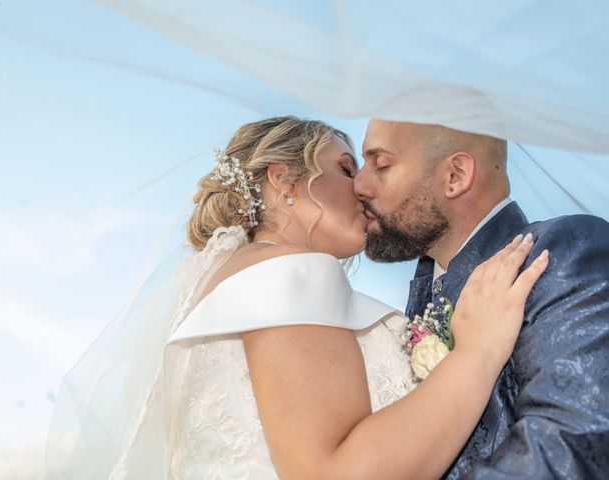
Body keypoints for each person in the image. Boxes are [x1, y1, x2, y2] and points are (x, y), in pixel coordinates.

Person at [43, 116, 548, 479]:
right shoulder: (290, 273)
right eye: (348, 169)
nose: (365, 188)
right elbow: (333, 471)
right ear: (284, 178)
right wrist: (478, 353)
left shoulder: (224, 280)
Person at [355, 119, 609, 479]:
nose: (359, 185)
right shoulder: (426, 292)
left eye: (380, 165)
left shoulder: (558, 255)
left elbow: (573, 443)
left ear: (455, 176)